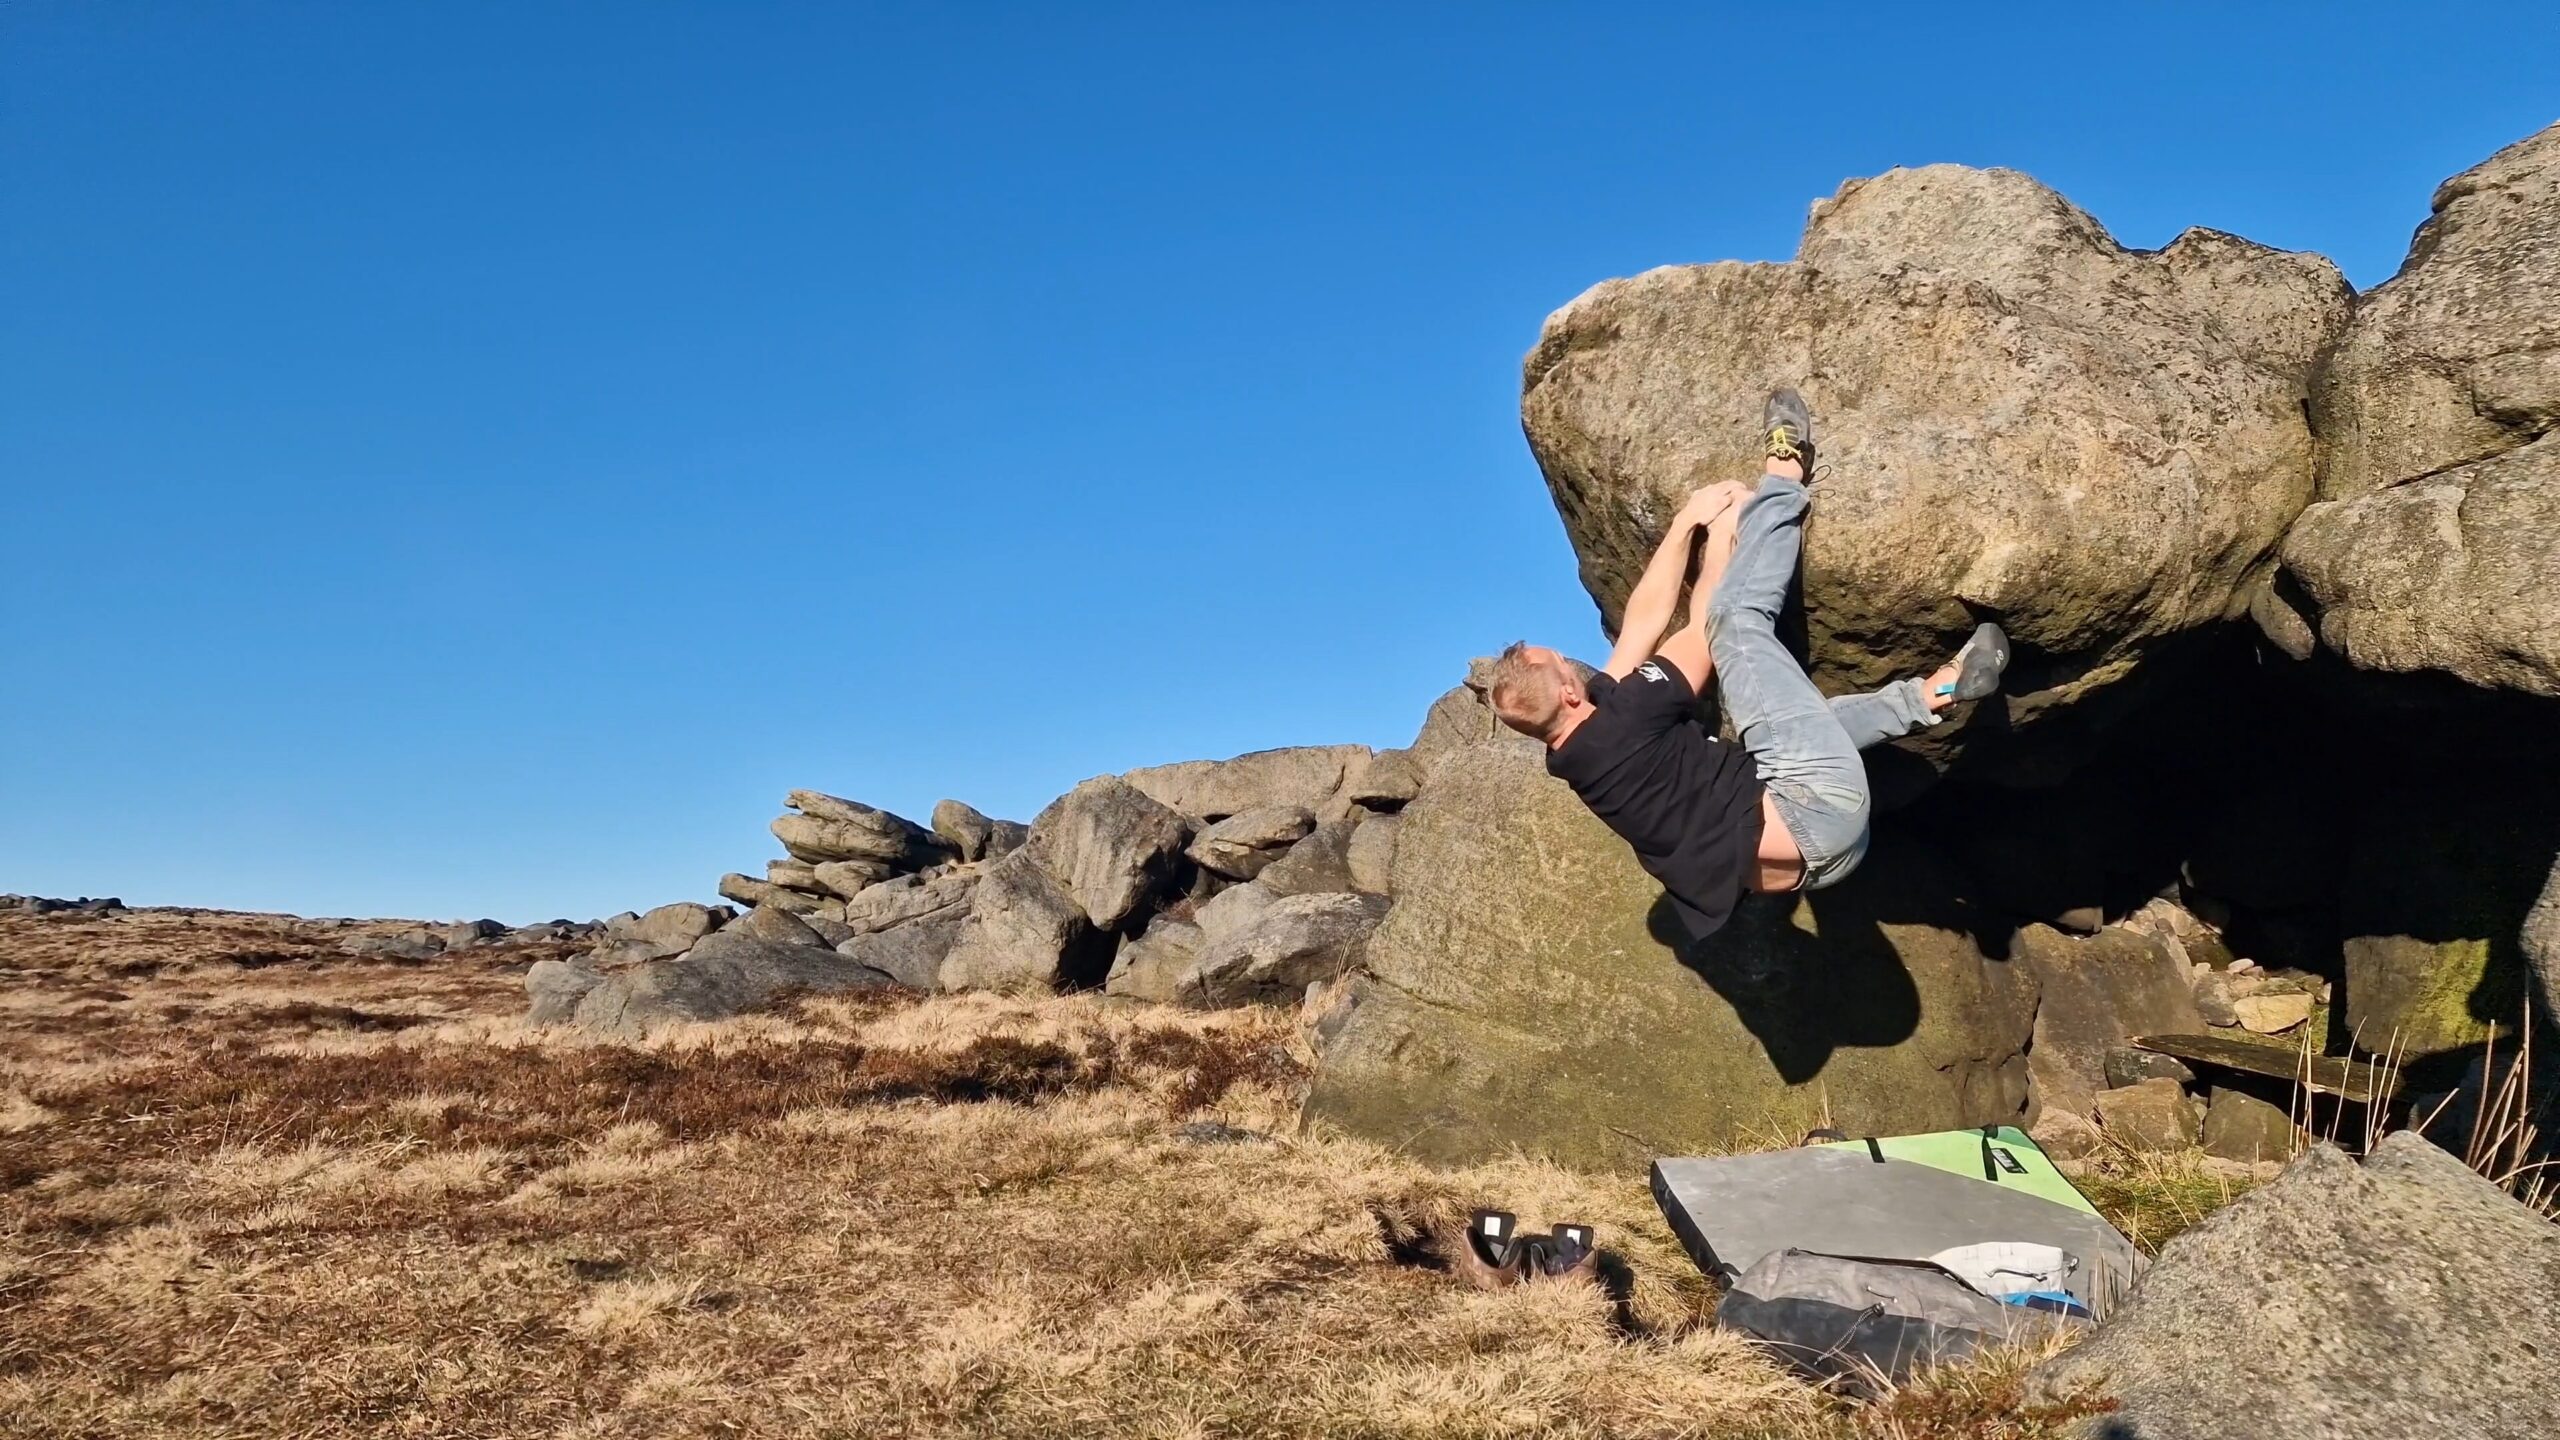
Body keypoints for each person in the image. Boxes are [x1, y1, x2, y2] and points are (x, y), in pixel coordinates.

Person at [1486, 389, 2009, 944]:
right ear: (1570, 693)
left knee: (1803, 723)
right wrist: (1724, 534)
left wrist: (1686, 523)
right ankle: (1786, 473)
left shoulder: (1576, 753)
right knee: (1738, 620)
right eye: (1565, 663)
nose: (1573, 662)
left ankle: (1937, 691)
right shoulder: (1628, 716)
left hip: (1821, 869)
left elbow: (1639, 625)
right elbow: (1709, 625)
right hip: (1819, 810)